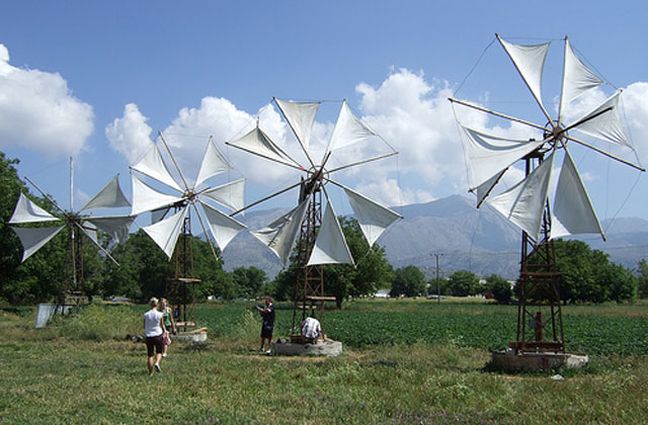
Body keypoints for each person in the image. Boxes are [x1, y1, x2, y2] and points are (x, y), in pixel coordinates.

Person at [143, 297, 165, 375]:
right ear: (157, 304)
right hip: (158, 334)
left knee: (150, 355)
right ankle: (157, 363)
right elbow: (162, 325)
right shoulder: (160, 314)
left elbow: (145, 326)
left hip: (149, 335)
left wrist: (145, 334)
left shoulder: (146, 314)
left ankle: (150, 373)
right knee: (159, 351)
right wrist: (165, 332)